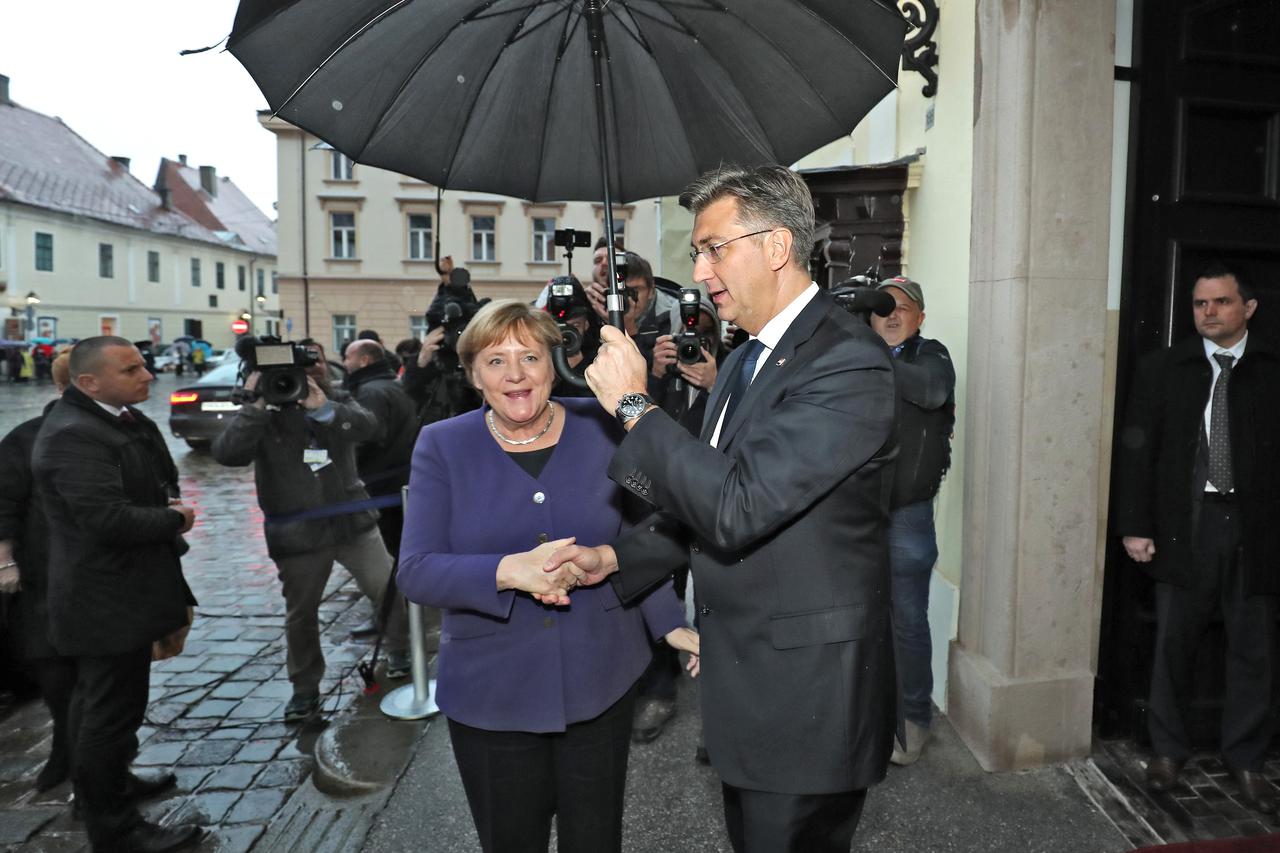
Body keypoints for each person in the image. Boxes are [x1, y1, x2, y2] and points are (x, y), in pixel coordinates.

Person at [546, 164, 899, 852]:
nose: (701, 271)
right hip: (746, 677)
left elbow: (737, 506)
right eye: (697, 252)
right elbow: (699, 494)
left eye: (715, 248)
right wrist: (616, 557)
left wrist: (632, 404)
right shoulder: (742, 361)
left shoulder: (847, 362)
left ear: (775, 247)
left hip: (809, 698)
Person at [396, 300, 699, 853]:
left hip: (601, 674)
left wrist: (668, 624)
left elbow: (642, 536)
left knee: (595, 839)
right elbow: (416, 571)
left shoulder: (602, 425)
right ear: (472, 374)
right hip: (492, 693)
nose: (514, 374)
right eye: (495, 360)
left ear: (552, 364)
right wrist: (508, 572)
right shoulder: (443, 445)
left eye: (529, 356)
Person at [1115, 262, 1280, 813]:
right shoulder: (1165, 368)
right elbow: (1138, 449)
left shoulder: (1271, 368)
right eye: (1199, 304)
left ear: (1248, 308)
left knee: (1254, 650)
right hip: (1187, 526)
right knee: (1173, 646)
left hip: (1257, 531)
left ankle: (1248, 760)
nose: (1208, 313)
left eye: (1220, 302)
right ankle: (1167, 752)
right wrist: (1135, 525)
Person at [32, 336, 200, 853]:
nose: (148, 375)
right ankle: (114, 827)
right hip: (104, 600)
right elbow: (105, 519)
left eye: (143, 365)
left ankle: (112, 783)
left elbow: (150, 478)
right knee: (106, 713)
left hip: (127, 591)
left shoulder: (117, 418)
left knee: (114, 707)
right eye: (132, 370)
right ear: (89, 383)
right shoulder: (73, 435)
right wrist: (174, 517)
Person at [211, 340, 411, 722]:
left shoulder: (335, 396)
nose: (311, 369)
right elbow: (228, 453)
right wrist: (256, 406)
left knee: (387, 586)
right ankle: (305, 690)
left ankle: (400, 649)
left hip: (353, 523)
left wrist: (325, 408)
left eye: (315, 361)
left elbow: (370, 428)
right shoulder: (260, 408)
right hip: (297, 532)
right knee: (301, 614)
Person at [869, 276, 955, 766]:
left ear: (920, 317)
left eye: (904, 308)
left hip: (907, 515)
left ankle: (914, 720)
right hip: (855, 514)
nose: (893, 315)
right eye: (884, 308)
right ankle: (871, 714)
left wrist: (869, 355)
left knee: (906, 621)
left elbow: (932, 391)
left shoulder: (932, 356)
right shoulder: (858, 358)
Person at [0, 352, 76, 792]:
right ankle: (65, 755)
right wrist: (6, 562)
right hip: (42, 575)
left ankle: (81, 758)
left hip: (89, 576)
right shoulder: (25, 438)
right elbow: (4, 503)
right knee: (55, 670)